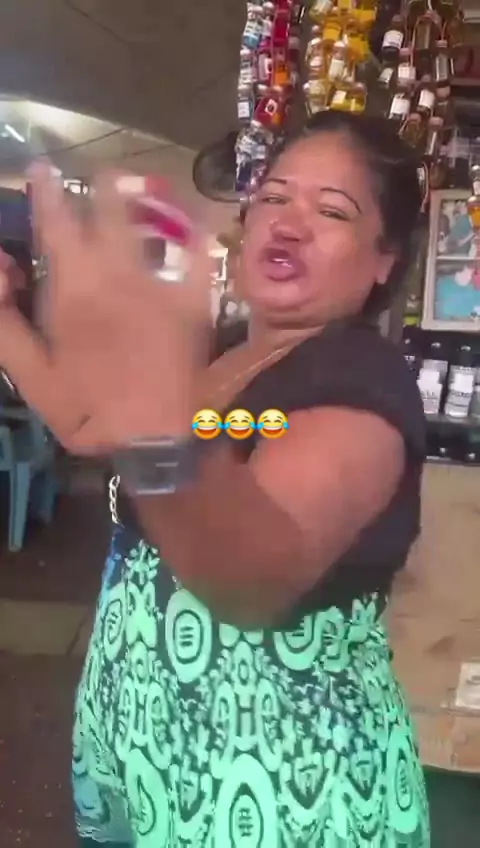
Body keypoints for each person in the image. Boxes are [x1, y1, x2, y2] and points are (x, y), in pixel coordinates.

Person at [0, 111, 429, 846]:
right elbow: (85, 425)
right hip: (153, 756)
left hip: (284, 790)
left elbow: (250, 579)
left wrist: (152, 395)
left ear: (384, 259)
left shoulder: (363, 381)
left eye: (331, 211)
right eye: (275, 197)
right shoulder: (228, 351)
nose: (289, 223)